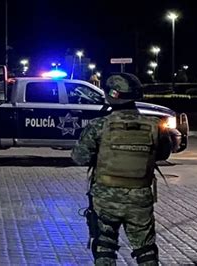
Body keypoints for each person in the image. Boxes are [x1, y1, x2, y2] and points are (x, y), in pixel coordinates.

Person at [71, 73, 171, 266]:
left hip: (105, 200)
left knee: (104, 248)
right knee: (146, 250)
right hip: (140, 199)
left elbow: (79, 157)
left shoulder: (99, 125)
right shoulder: (155, 126)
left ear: (110, 95)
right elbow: (163, 153)